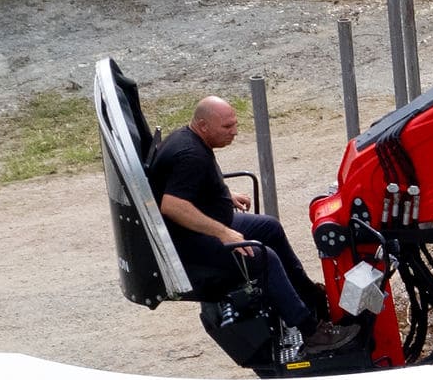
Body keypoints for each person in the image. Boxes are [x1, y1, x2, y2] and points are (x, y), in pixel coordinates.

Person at [145, 93, 358, 357]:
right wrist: (224, 233)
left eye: (235, 124)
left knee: (269, 227)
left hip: (204, 225)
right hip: (189, 243)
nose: (234, 131)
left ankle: (309, 296)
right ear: (203, 125)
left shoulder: (187, 138)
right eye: (227, 126)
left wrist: (224, 194)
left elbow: (187, 184)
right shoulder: (191, 155)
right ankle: (312, 333)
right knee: (263, 258)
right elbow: (172, 206)